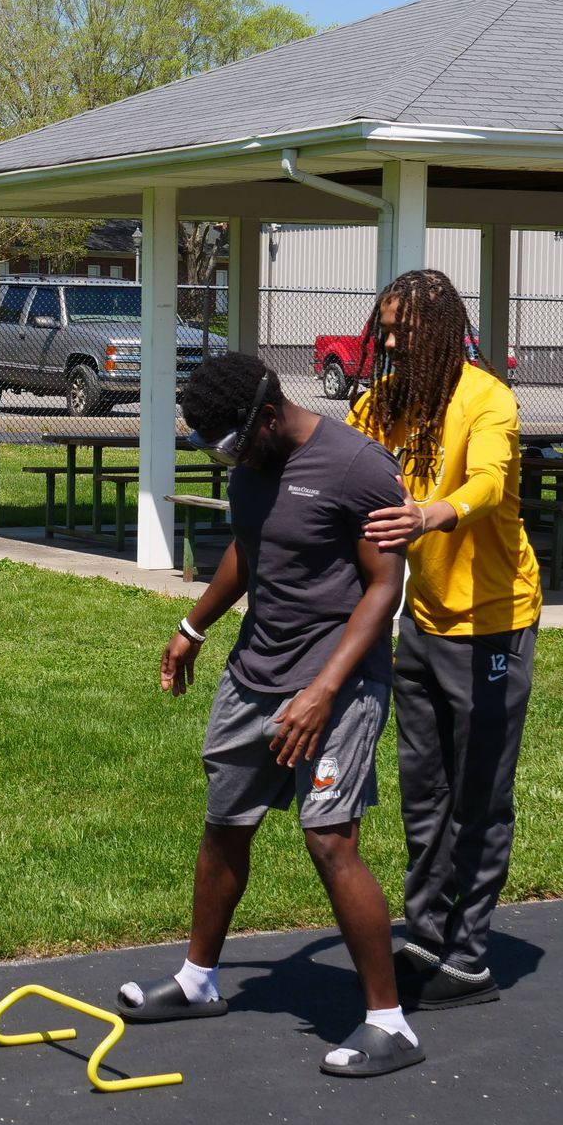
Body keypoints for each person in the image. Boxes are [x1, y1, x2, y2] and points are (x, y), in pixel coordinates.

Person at [120, 352, 423, 1078]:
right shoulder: (248, 464)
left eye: (227, 441)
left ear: (264, 414)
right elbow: (250, 554)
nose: (225, 457)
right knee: (225, 824)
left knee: (330, 841)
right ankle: (198, 981)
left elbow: (386, 586)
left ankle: (390, 1023)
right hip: (254, 674)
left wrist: (321, 692)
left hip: (337, 685)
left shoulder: (358, 469)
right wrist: (193, 629)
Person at [348, 268, 542, 1010]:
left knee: (480, 792)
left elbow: (489, 486)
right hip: (422, 623)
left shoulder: (487, 399)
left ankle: (469, 956)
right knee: (423, 790)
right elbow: (340, 459)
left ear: (440, 330)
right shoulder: (386, 405)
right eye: (385, 327)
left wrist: (428, 516)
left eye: (402, 328)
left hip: (493, 621)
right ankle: (427, 933)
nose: (390, 339)